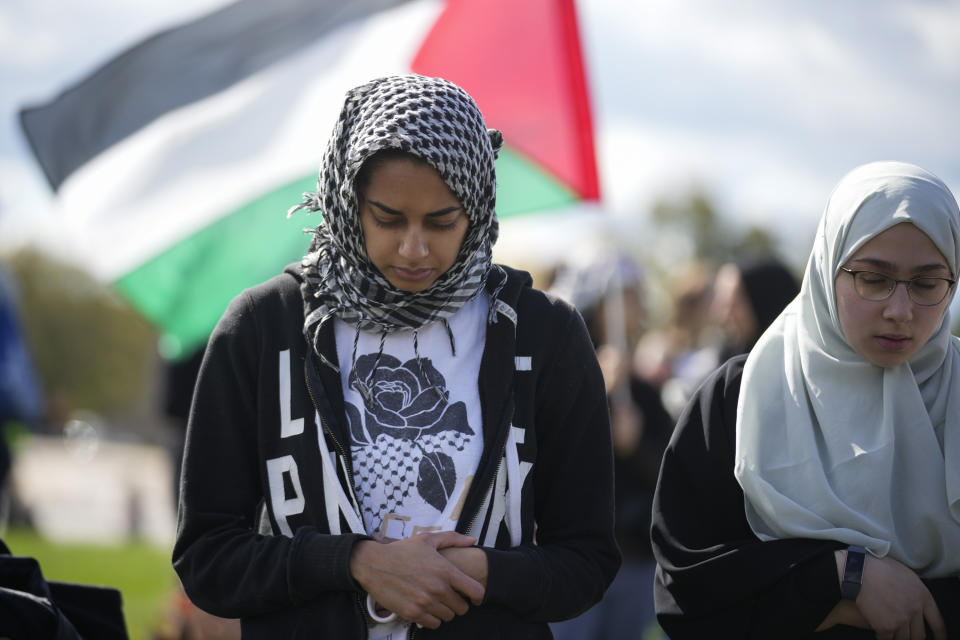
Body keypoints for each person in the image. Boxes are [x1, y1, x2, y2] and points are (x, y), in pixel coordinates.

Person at [172, 74, 620, 639]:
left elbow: (587, 562)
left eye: (442, 222)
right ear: (346, 199)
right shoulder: (263, 327)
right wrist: (354, 563)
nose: (413, 248)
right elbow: (206, 559)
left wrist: (480, 573)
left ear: (477, 211)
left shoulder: (543, 333)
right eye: (387, 219)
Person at [651, 161, 960, 639]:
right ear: (826, 268)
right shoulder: (743, 394)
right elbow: (686, 585)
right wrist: (841, 577)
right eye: (873, 279)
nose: (901, 311)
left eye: (926, 284)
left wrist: (908, 604)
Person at [548, 254, 673, 639]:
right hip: (571, 557)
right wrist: (594, 391)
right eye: (625, 295)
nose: (637, 305)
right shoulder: (556, 376)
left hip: (632, 558)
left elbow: (668, 478)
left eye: (637, 295)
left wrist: (634, 447)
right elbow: (546, 454)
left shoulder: (644, 394)